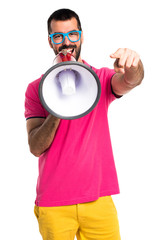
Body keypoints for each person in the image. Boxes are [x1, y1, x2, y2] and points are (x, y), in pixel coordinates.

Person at [24, 8, 144, 240]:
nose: (66, 42)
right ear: (50, 42)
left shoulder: (100, 78)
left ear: (81, 36)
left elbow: (131, 80)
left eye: (72, 34)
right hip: (54, 204)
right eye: (58, 36)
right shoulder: (35, 89)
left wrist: (133, 64)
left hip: (98, 200)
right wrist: (57, 107)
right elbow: (35, 146)